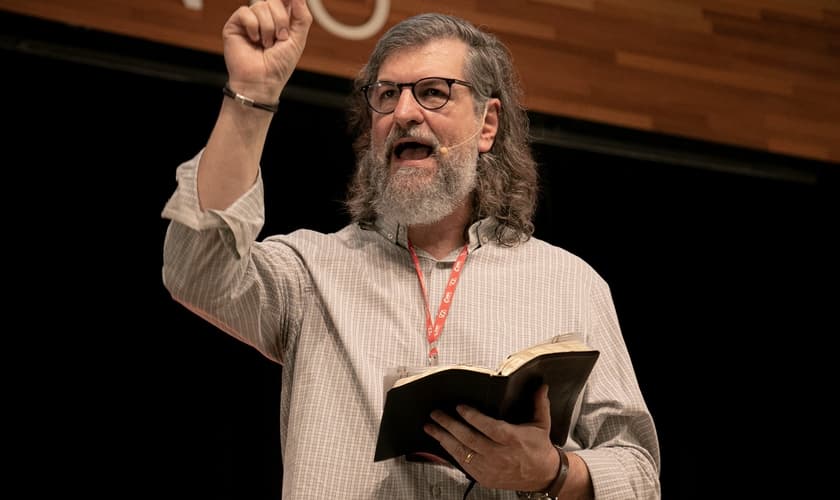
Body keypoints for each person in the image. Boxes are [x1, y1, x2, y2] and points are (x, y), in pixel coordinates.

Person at [161, 0, 660, 498]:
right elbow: (197, 271)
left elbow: (638, 472)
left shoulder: (571, 284)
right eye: (386, 95)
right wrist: (252, 95)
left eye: (433, 93)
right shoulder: (311, 272)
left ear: (487, 124)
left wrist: (551, 472)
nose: (403, 113)